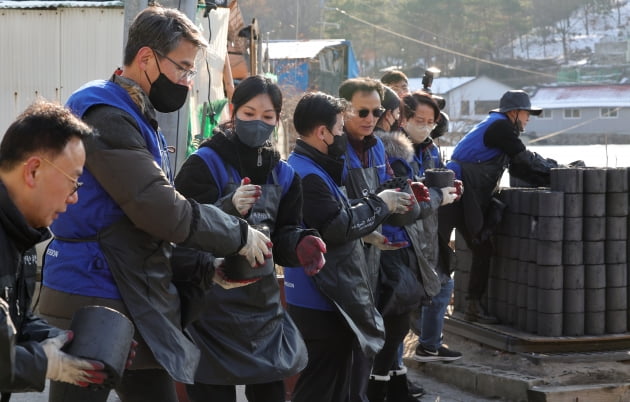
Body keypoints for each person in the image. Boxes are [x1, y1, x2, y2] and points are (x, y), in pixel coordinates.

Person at [38, 6, 271, 402]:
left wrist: (203, 266)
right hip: (95, 290)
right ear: (146, 58)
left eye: (190, 71)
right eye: (182, 68)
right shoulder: (106, 115)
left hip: (131, 287)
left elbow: (142, 225)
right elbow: (159, 209)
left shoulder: (132, 113)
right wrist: (235, 233)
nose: (186, 80)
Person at [173, 75, 326, 402]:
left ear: (277, 121)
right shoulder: (203, 164)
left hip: (262, 308)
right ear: (233, 110)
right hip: (209, 305)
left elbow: (284, 233)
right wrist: (227, 208)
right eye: (249, 113)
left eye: (268, 117)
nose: (258, 122)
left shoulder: (284, 174)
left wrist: (301, 244)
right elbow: (181, 229)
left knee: (270, 390)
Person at [285, 92, 413, 402]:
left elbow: (334, 218)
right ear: (322, 132)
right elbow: (336, 227)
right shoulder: (308, 175)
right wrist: (380, 206)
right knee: (321, 386)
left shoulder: (308, 166)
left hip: (320, 294)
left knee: (331, 384)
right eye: (341, 128)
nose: (343, 134)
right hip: (322, 296)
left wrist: (366, 227)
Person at [0, 101, 109, 398]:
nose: (74, 198)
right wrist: (47, 363)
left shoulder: (18, 236)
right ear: (34, 171)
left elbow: (13, 322)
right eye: (73, 181)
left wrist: (65, 343)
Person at [441, 89, 558, 323]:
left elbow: (518, 168)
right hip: (455, 193)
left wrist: (554, 176)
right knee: (440, 250)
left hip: (462, 190)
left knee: (481, 248)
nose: (528, 119)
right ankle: (429, 309)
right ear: (514, 112)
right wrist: (557, 171)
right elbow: (524, 158)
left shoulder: (497, 126)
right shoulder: (501, 127)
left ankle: (472, 306)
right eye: (527, 114)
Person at [382, 91, 463, 365]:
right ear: (403, 117)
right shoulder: (390, 149)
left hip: (427, 234)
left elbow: (436, 181)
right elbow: (406, 200)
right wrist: (437, 196)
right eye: (420, 119)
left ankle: (427, 346)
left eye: (431, 121)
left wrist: (450, 187)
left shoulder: (430, 149)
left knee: (442, 285)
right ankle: (394, 372)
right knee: (399, 309)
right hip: (402, 238)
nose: (425, 126)